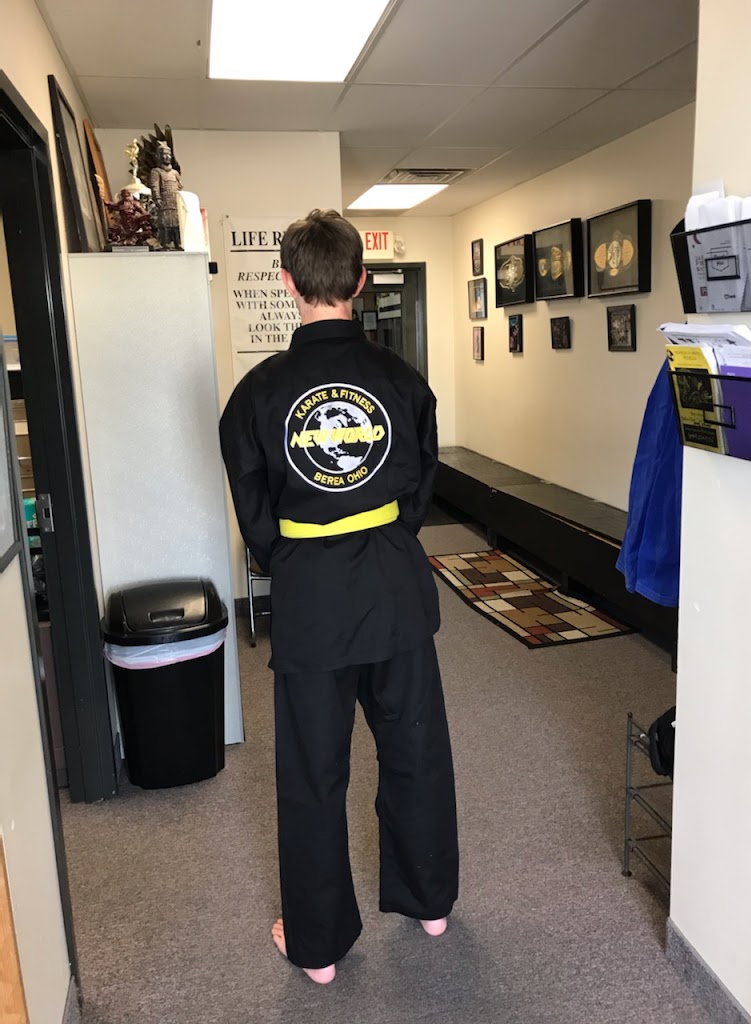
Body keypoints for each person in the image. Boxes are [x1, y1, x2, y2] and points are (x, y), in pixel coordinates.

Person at [219, 210, 459, 985]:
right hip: (394, 588)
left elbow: (255, 512)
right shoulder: (401, 381)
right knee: (415, 750)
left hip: (312, 601)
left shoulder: (257, 394)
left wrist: (295, 557)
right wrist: (380, 536)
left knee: (314, 773)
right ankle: (430, 903)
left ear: (287, 283)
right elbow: (421, 486)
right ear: (360, 280)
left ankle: (318, 947)